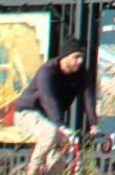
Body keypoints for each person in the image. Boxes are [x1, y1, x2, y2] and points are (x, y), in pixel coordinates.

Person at [13, 39, 93, 175]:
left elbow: (88, 97)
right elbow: (48, 98)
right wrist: (60, 125)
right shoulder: (48, 71)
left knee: (61, 149)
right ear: (65, 57)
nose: (80, 61)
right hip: (26, 113)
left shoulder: (80, 74)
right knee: (50, 132)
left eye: (82, 57)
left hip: (50, 118)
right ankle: (32, 171)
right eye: (76, 57)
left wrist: (94, 124)